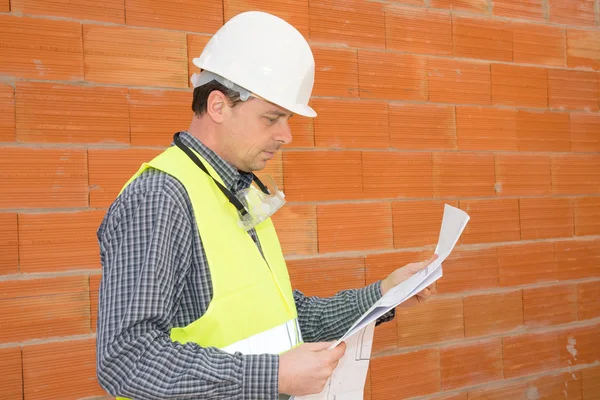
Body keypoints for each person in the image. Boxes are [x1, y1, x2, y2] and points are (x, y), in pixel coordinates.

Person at [95, 10, 437, 400]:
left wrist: (382, 295)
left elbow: (284, 320)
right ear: (219, 106)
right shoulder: (160, 198)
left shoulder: (233, 191)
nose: (286, 135)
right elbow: (126, 360)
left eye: (287, 118)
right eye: (272, 118)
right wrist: (273, 375)